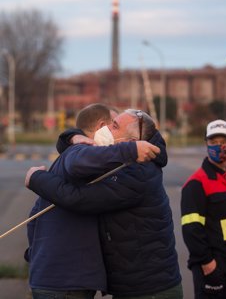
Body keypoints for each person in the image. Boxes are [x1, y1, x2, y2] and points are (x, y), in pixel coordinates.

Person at [25, 109, 183, 299]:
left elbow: (78, 199)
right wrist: (74, 137)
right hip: (131, 285)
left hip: (150, 289)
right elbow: (75, 152)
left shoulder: (138, 173)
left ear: (133, 143)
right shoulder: (119, 160)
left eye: (114, 126)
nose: (106, 127)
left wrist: (36, 178)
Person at [181, 119, 226, 299]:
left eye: (224, 142)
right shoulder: (196, 183)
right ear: (206, 144)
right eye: (214, 142)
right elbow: (191, 230)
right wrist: (207, 263)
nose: (220, 146)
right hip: (212, 268)